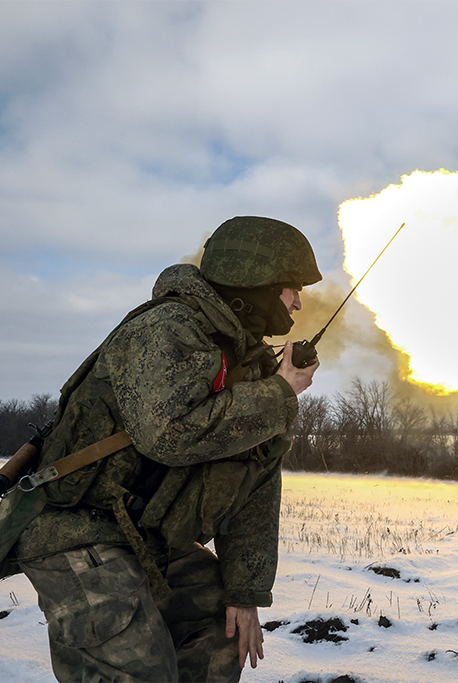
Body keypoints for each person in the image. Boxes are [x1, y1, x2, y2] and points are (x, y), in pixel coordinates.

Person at [12, 216, 321, 682]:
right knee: (139, 671)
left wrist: (244, 590)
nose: (298, 302)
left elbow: (256, 486)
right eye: (291, 288)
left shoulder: (252, 366)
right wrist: (278, 395)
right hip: (77, 529)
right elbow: (169, 433)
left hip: (146, 538)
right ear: (256, 281)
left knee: (221, 629)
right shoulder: (167, 328)